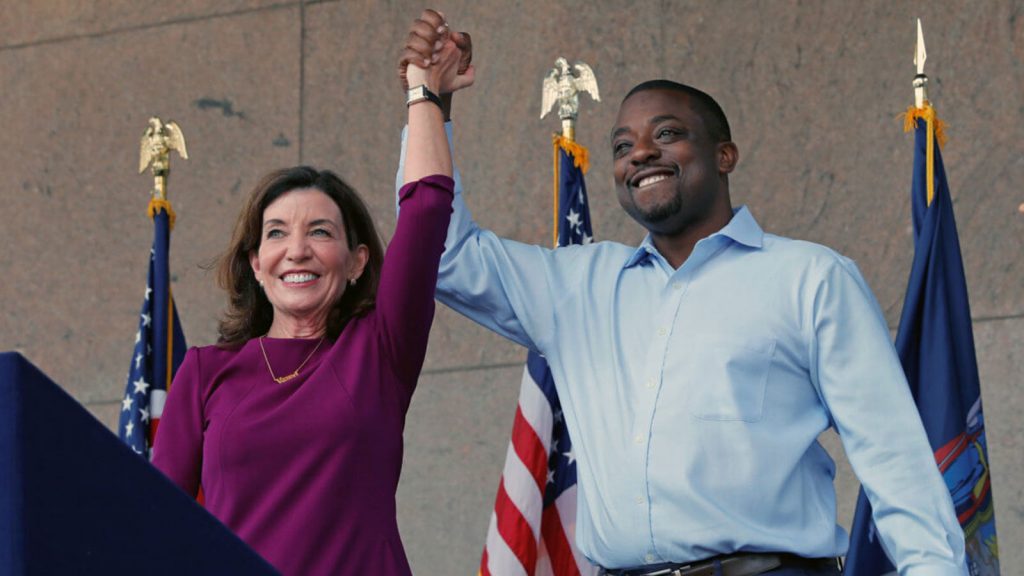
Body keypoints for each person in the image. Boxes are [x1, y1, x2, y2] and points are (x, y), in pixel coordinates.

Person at [396, 10, 967, 576]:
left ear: (725, 156)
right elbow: (440, 254)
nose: (639, 153)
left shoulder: (810, 279)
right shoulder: (576, 288)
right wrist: (430, 104)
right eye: (622, 146)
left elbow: (895, 462)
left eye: (666, 134)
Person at [151, 22, 469, 575]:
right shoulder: (205, 373)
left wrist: (425, 94)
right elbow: (153, 524)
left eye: (320, 232)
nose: (296, 250)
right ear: (256, 263)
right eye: (276, 233)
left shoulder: (379, 351)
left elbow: (425, 210)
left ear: (357, 262)